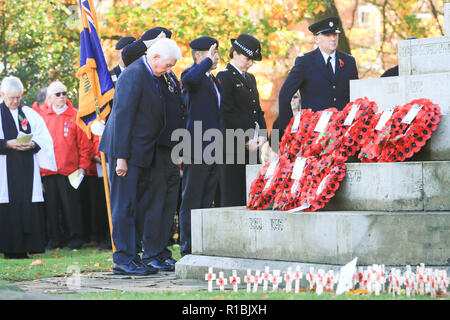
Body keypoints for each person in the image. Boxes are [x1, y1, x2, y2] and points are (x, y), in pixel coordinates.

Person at [99, 38, 182, 276]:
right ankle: (123, 259)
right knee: (124, 207)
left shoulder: (153, 75)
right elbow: (124, 118)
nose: (169, 70)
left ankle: (133, 257)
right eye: (167, 65)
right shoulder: (133, 75)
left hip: (143, 153)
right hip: (126, 153)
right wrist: (121, 158)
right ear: (154, 57)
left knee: (137, 207)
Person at [121, 27, 186, 271]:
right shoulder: (144, 67)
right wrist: (149, 42)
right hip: (154, 146)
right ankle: (151, 252)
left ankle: (161, 250)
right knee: (155, 202)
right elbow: (128, 55)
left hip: (170, 145)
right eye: (163, 42)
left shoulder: (168, 74)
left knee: (169, 202)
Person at [0, 76, 55, 258]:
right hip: (5, 167)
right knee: (8, 203)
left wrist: (32, 145)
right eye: (12, 98)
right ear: (2, 95)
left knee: (27, 203)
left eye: (18, 97)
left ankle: (29, 246)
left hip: (27, 167)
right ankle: (10, 249)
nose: (16, 101)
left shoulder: (28, 113)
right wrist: (7, 144)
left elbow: (43, 136)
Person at [278, 16, 359, 134]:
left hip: (343, 133)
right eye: (327, 35)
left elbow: (355, 97)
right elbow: (285, 95)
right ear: (316, 39)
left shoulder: (349, 61)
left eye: (335, 35)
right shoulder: (305, 62)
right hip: (314, 134)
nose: (333, 39)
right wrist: (288, 130)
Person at [179, 36, 221, 257]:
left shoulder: (212, 80)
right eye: (212, 53)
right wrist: (205, 62)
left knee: (206, 199)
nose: (217, 57)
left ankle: (201, 245)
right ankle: (188, 247)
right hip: (196, 147)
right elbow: (189, 81)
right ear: (199, 55)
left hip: (214, 147)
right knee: (192, 199)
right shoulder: (191, 74)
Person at [40, 81, 92, 250]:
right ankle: (55, 239)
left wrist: (83, 167)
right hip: (49, 170)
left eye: (64, 93)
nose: (62, 97)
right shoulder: (43, 118)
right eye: (58, 94)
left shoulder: (75, 115)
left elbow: (85, 145)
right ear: (50, 97)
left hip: (70, 170)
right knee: (52, 207)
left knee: (72, 207)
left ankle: (76, 238)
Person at [216, 34, 267, 207]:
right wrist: (244, 140)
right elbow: (226, 113)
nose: (250, 63)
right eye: (247, 58)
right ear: (235, 53)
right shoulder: (224, 76)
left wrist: (263, 135)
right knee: (233, 195)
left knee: (252, 195)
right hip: (233, 145)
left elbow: (257, 110)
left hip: (253, 145)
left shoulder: (250, 78)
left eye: (253, 60)